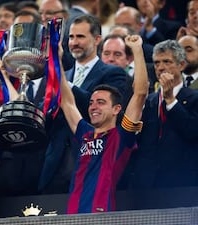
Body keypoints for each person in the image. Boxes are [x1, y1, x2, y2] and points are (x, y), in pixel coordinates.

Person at [59, 34, 149, 213]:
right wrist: (56, 58)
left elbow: (140, 93)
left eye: (101, 102)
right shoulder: (85, 132)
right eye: (91, 102)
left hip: (102, 214)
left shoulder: (122, 135)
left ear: (116, 109)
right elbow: (67, 101)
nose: (93, 107)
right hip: (72, 215)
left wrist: (137, 50)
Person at [40, 14, 128, 193]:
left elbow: (99, 108)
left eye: (80, 37)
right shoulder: (61, 75)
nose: (74, 42)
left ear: (97, 40)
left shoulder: (114, 74)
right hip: (54, 163)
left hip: (89, 160)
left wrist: (65, 84)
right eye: (71, 37)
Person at [130, 39, 198, 189]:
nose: (160, 67)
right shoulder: (149, 101)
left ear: (181, 65)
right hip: (147, 182)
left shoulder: (194, 98)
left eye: (167, 62)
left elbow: (192, 131)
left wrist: (171, 100)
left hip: (182, 182)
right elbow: (136, 137)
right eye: (156, 63)